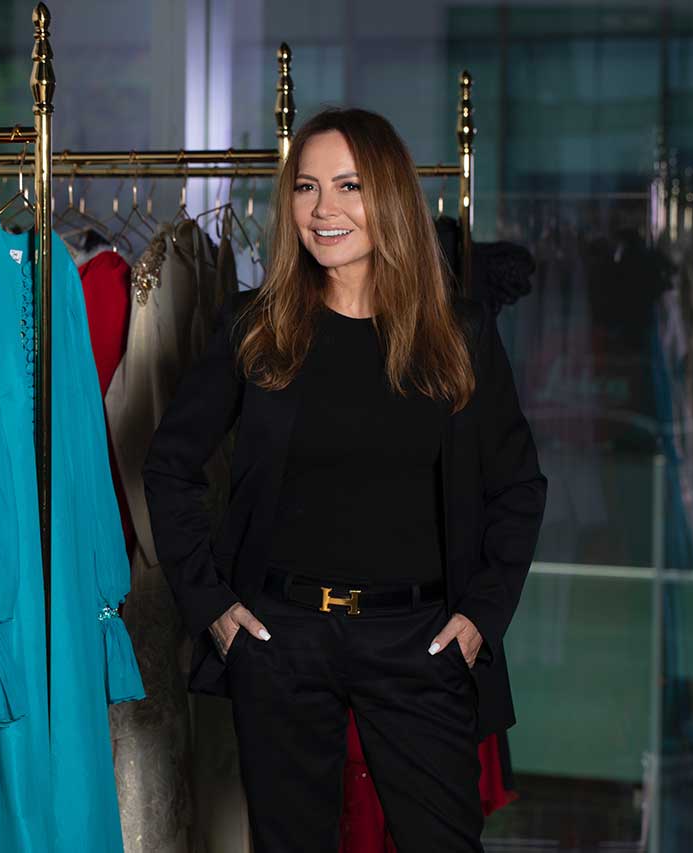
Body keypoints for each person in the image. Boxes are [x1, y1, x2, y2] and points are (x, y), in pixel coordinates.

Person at [142, 108, 546, 852]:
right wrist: (213, 606)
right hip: (281, 640)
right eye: (306, 187)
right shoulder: (255, 326)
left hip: (420, 642)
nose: (323, 209)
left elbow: (519, 487)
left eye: (348, 185)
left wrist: (480, 616)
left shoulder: (459, 334)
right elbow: (169, 465)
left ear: (388, 195)